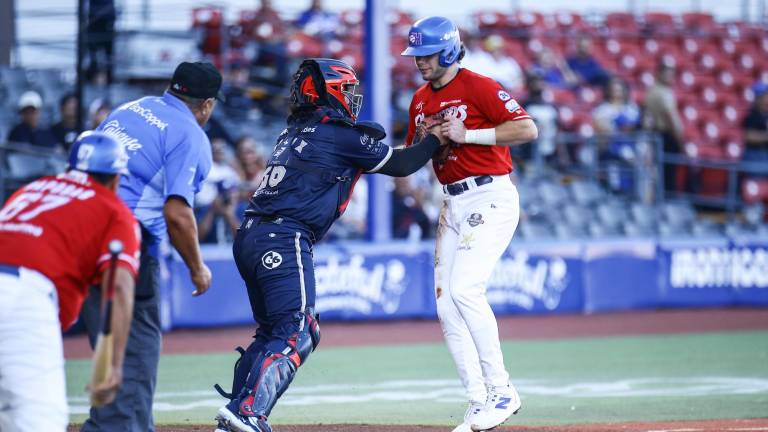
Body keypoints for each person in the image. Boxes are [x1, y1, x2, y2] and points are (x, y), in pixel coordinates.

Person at [213, 58, 449, 432]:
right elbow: (403, 165)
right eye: (350, 90)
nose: (354, 98)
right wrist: (436, 138)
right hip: (284, 235)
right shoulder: (339, 134)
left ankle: (236, 411)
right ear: (332, 90)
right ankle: (246, 413)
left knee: (273, 331)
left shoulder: (294, 130)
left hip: (251, 234)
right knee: (298, 331)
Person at [401, 16, 538, 432]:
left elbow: (527, 128)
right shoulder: (420, 99)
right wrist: (426, 140)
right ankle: (478, 401)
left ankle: (502, 390)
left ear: (446, 49)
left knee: (465, 289)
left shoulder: (478, 84)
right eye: (415, 55)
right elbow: (414, 153)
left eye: (425, 54)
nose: (419, 62)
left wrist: (469, 135)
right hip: (451, 202)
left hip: (489, 194)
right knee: (446, 305)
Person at [80, 61, 219, 432]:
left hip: (82, 232)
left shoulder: (130, 107)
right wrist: (197, 267)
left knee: (109, 349)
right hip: (126, 244)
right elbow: (177, 213)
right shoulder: (190, 135)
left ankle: (105, 425)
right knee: (136, 353)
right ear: (207, 105)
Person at [0, 131, 140, 431]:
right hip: (23, 301)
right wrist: (113, 365)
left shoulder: (30, 189)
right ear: (116, 179)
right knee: (39, 422)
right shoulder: (114, 211)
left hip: (15, 286)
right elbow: (119, 286)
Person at [644, 62, 684, 192]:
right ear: (659, 74)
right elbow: (669, 117)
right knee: (668, 172)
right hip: (667, 135)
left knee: (662, 171)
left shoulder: (651, 90)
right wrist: (679, 139)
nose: (670, 78)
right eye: (667, 74)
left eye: (672, 75)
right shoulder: (664, 93)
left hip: (658, 134)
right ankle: (668, 201)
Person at [742, 82, 768, 163]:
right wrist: (765, 136)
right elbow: (749, 136)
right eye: (765, 95)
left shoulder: (765, 115)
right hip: (755, 156)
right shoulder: (753, 116)